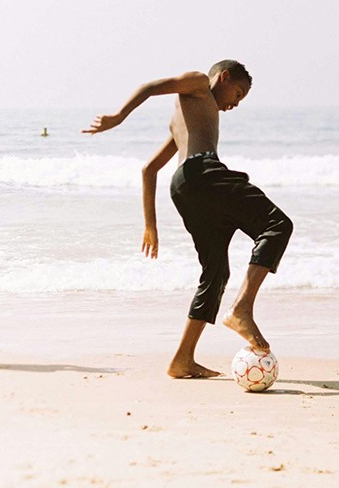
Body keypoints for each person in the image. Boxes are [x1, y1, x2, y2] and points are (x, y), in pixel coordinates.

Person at [84, 61, 293, 378]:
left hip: (184, 187)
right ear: (223, 78)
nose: (234, 104)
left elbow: (149, 170)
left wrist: (150, 225)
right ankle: (242, 310)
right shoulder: (197, 84)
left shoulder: (184, 121)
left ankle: (182, 360)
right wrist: (118, 117)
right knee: (278, 224)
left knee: (216, 271)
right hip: (201, 172)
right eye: (237, 94)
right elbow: (152, 87)